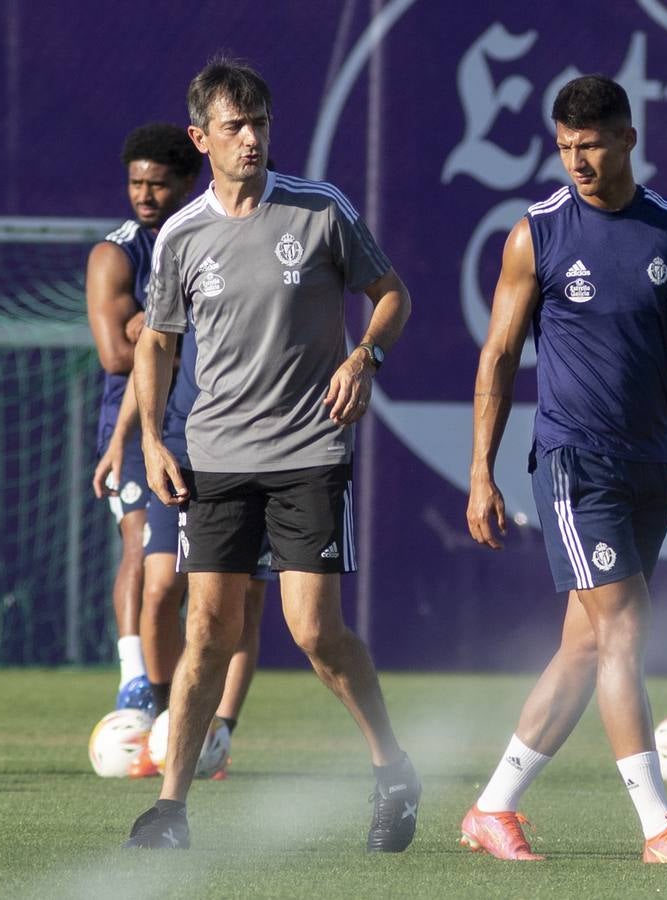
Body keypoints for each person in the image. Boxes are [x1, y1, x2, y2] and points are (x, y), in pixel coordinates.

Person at [121, 57, 419, 851]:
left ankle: (392, 768)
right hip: (215, 458)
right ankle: (171, 810)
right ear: (202, 138)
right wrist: (153, 440)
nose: (250, 139)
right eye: (233, 127)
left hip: (309, 450)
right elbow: (155, 343)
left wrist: (365, 359)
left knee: (314, 633)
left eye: (259, 124)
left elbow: (392, 294)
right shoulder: (181, 234)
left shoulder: (320, 210)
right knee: (207, 634)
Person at [463, 75, 667, 864]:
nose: (577, 159)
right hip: (576, 462)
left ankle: (492, 809)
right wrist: (483, 471)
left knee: (584, 648)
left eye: (593, 144)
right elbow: (499, 355)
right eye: (565, 146)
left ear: (629, 139)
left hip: (650, 461)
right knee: (626, 633)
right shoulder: (535, 233)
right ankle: (658, 828)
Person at [94, 321, 273, 779]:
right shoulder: (184, 258)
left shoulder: (268, 266)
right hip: (181, 450)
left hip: (257, 448)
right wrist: (121, 440)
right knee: (159, 590)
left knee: (242, 603)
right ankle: (165, 719)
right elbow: (147, 350)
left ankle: (221, 728)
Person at [87, 123, 203, 714]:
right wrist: (167, 339)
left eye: (158, 183)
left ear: (186, 181)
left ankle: (183, 696)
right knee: (138, 544)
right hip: (132, 428)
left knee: (188, 576)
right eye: (136, 182)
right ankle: (134, 680)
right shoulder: (116, 252)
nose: (145, 194)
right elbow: (116, 354)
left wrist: (155, 331)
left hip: (201, 421)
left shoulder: (205, 238)